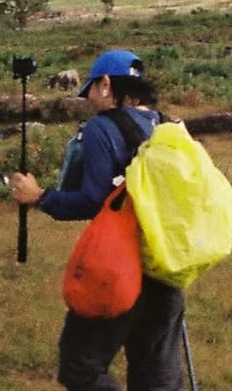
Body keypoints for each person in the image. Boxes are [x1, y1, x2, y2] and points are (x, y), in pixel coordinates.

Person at [11, 49, 186, 391]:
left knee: (80, 367)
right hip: (166, 266)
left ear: (106, 84)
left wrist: (39, 196)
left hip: (118, 267)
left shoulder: (101, 128)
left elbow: (92, 200)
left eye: (91, 89)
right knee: (157, 377)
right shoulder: (169, 126)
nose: (90, 99)